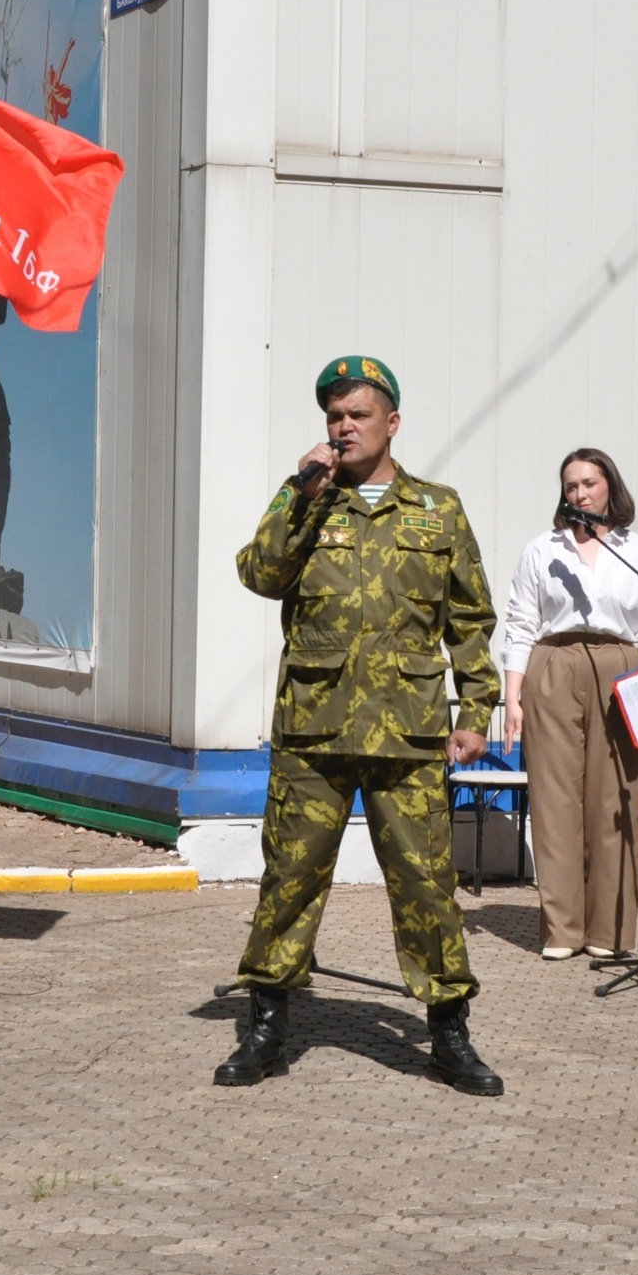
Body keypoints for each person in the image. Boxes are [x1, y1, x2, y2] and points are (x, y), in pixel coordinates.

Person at [218, 355, 506, 1096]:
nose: (344, 428)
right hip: (314, 734)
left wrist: (475, 712)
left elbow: (470, 619)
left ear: (392, 423)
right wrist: (298, 489)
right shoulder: (310, 502)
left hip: (406, 736)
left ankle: (448, 1032)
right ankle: (266, 1029)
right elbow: (259, 573)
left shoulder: (437, 510)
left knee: (426, 886)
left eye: (358, 415)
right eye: (334, 418)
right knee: (288, 882)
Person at [497, 448, 638, 961]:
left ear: (609, 486)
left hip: (622, 670)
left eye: (589, 483)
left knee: (617, 799)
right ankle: (562, 931)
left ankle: (611, 933)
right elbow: (521, 623)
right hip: (554, 665)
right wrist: (512, 696)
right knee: (555, 801)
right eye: (571, 485)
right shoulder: (541, 550)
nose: (579, 493)